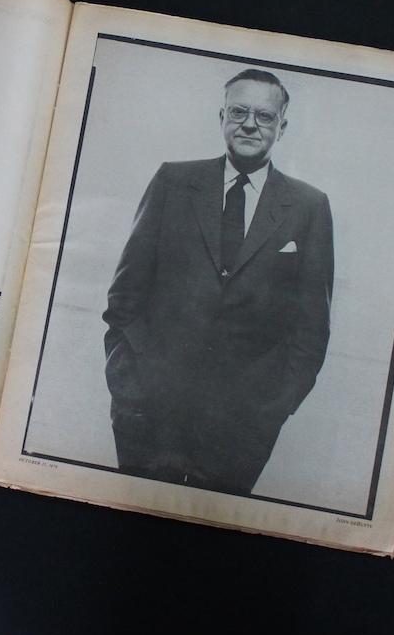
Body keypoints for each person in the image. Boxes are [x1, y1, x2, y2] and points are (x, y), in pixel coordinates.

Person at [103, 69, 333, 495]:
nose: (250, 124)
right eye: (239, 112)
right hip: (150, 414)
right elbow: (124, 296)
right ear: (222, 117)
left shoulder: (308, 207)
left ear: (282, 127)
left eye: (264, 116)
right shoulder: (173, 182)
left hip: (242, 430)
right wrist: (129, 384)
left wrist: (274, 409)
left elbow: (311, 328)